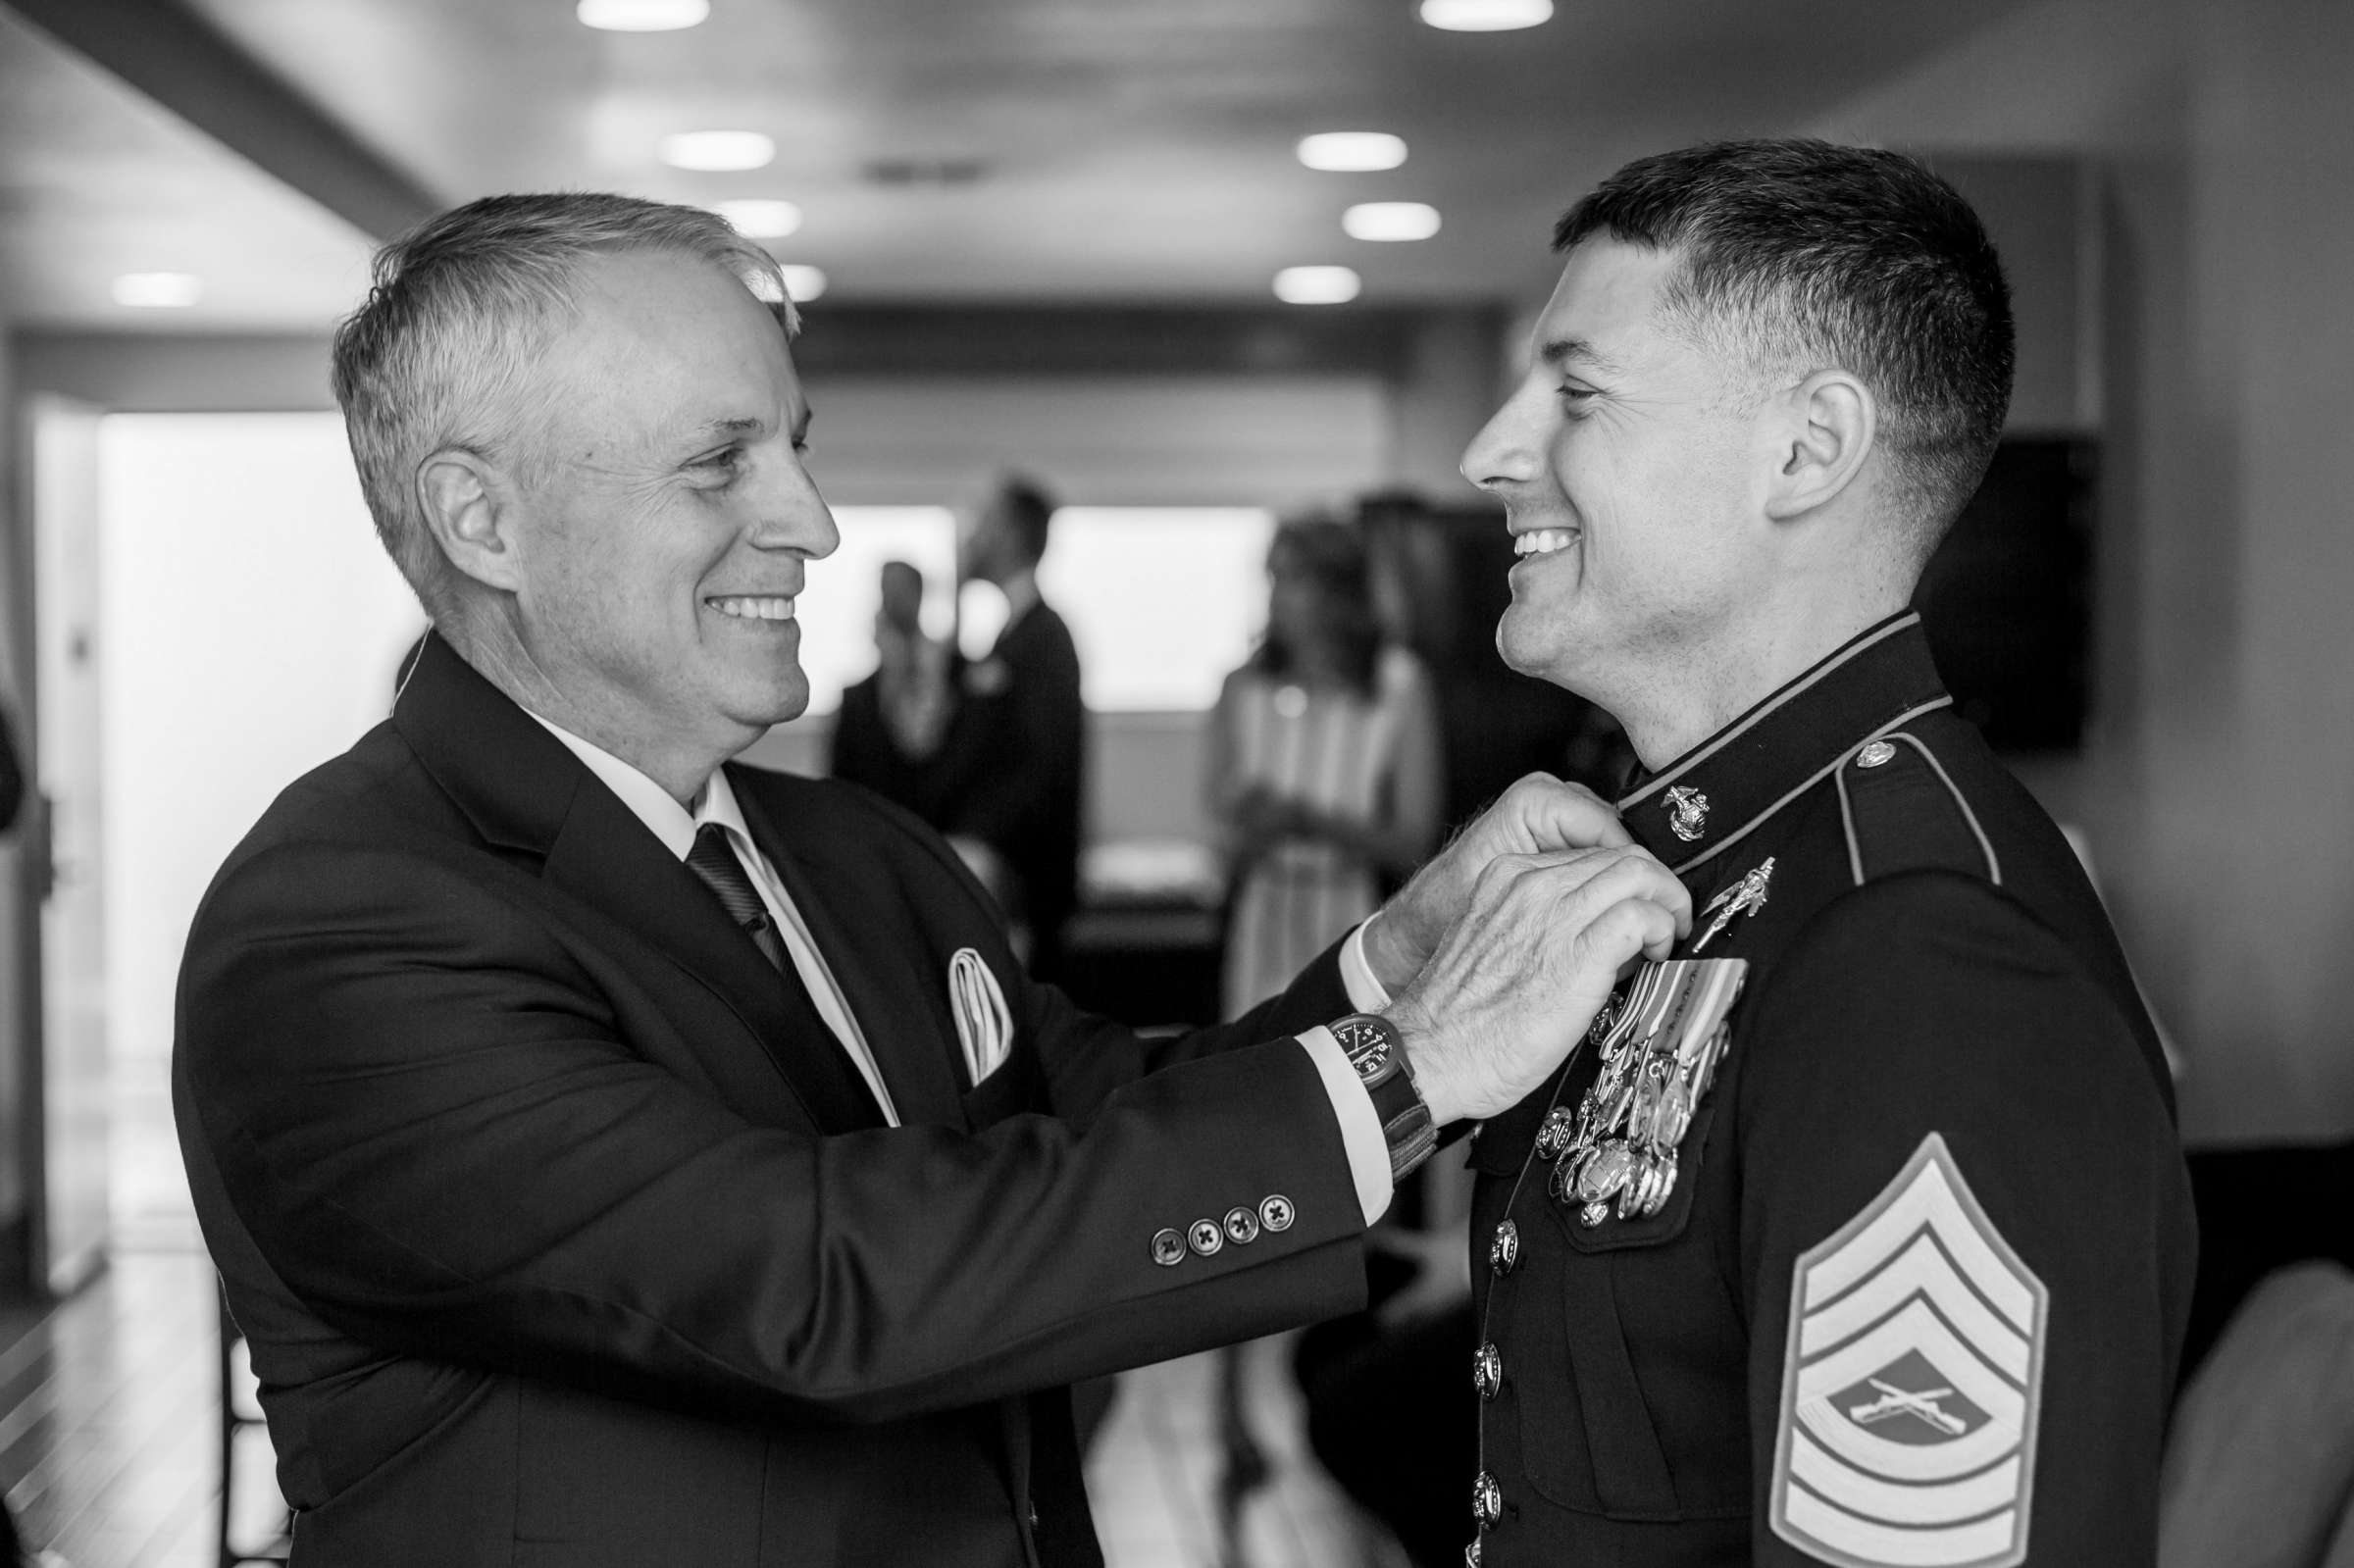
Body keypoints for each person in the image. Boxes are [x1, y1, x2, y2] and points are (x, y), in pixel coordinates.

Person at [170, 191, 1693, 1568]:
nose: (814, 523)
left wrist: (1394, 973)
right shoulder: (337, 927)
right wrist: (1409, 1070)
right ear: (481, 519)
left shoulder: (854, 851)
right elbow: (818, 1279)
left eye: (797, 445)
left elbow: (1087, 1129)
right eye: (720, 463)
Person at [1452, 140, 2197, 1566]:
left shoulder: (1925, 955)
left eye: (1576, 393)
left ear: (1805, 451)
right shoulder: (1717, 862)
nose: (1494, 453)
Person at [1208, 515, 1444, 1020]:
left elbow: (1415, 839)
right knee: (1248, 1057)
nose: (1276, 597)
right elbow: (1218, 828)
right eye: (1273, 579)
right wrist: (1249, 825)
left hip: (1352, 916)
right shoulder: (1242, 687)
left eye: (1293, 579)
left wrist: (1308, 821)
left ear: (1340, 591)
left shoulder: (1398, 686)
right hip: (1261, 914)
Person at [923, 475, 1086, 979]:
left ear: (1012, 536)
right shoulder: (1005, 636)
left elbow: (1042, 768)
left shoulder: (1044, 640)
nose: (972, 536)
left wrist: (975, 844)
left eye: (984, 523)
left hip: (1019, 883)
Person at [829, 558, 953, 813]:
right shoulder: (859, 699)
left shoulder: (956, 673)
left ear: (920, 593)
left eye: (901, 590)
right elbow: (843, 783)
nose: (892, 601)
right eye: (886, 591)